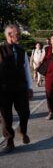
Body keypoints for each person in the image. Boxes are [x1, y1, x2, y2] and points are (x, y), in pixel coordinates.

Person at [0, 24, 33, 152]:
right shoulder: (0, 50)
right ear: (10, 35)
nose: (20, 36)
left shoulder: (21, 50)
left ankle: (22, 129)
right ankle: (9, 142)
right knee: (6, 117)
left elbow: (26, 70)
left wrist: (29, 87)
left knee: (25, 112)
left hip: (20, 88)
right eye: (18, 34)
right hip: (4, 90)